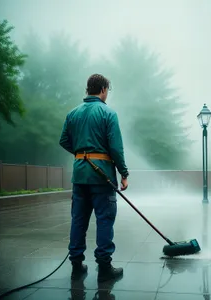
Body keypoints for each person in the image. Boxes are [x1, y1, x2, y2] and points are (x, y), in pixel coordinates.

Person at [59, 74, 129, 282]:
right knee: (104, 219)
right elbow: (116, 148)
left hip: (80, 175)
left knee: (78, 220)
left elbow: (64, 140)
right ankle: (105, 268)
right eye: (108, 90)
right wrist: (124, 173)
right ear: (104, 89)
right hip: (102, 177)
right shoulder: (108, 113)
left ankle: (76, 265)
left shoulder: (72, 114)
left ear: (88, 89)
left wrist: (82, 154)